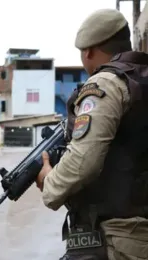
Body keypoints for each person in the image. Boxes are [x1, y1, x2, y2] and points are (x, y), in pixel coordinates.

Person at [35, 8, 148, 260]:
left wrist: (49, 180)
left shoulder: (106, 83)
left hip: (118, 240)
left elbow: (83, 161)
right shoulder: (140, 81)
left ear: (88, 51)